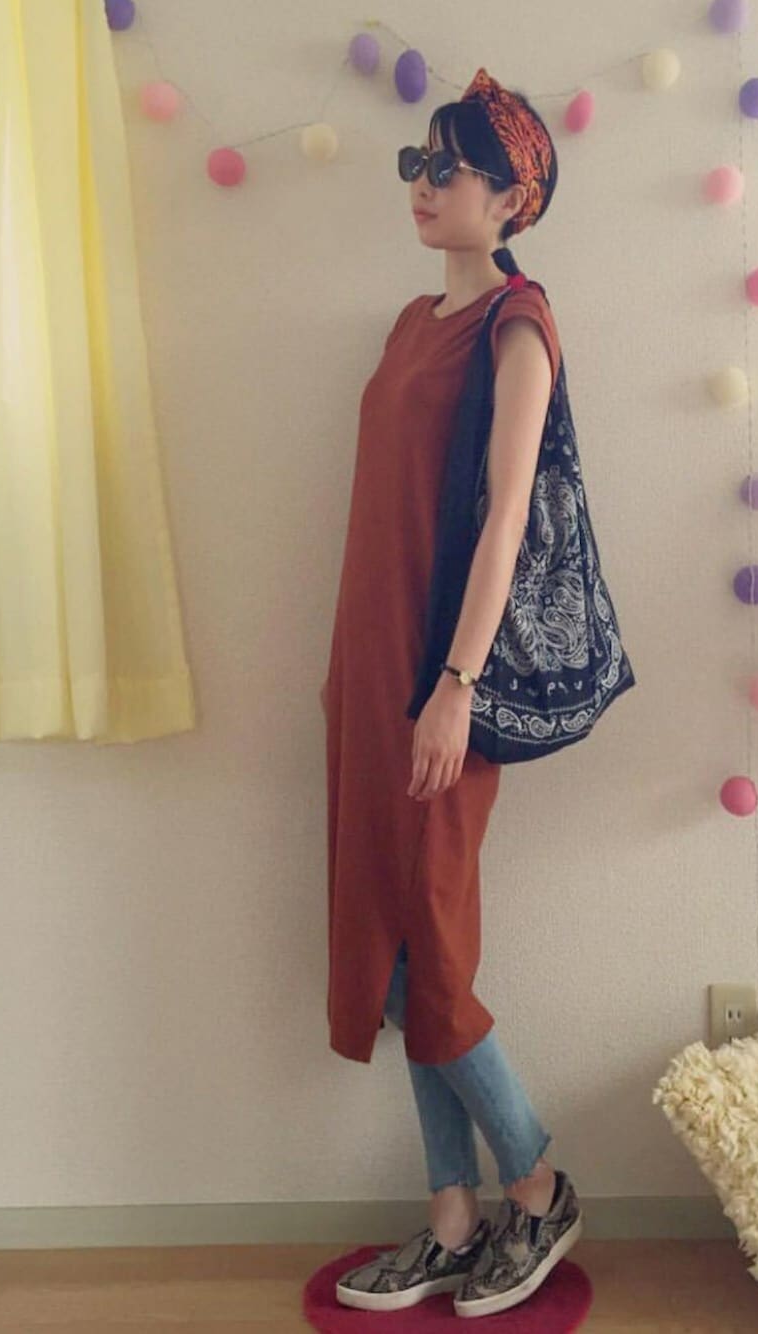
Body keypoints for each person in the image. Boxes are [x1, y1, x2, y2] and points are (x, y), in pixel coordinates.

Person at [322, 67, 583, 1318]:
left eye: (448, 168)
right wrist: (359, 680)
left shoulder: (515, 326)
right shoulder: (406, 324)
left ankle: (535, 1181)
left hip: (440, 677)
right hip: (367, 671)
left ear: (511, 194)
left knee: (428, 948)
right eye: (414, 164)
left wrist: (456, 684)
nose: (422, 186)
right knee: (392, 947)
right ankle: (450, 1218)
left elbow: (504, 519)